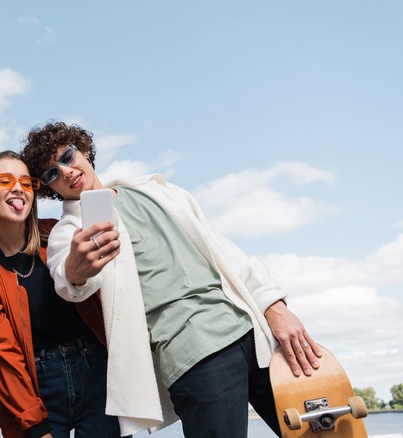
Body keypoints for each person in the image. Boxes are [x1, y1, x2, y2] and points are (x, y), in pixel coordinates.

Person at [21, 122, 323, 437]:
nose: (65, 171)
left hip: (256, 333)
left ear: (83, 150)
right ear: (48, 188)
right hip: (194, 354)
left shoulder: (158, 191)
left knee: (321, 431)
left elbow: (225, 251)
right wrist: (78, 267)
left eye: (67, 157)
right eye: (52, 174)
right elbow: (68, 283)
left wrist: (275, 307)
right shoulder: (69, 231)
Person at [0, 151, 121, 438]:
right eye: (5, 180)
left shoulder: (58, 234)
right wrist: (35, 426)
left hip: (96, 368)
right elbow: (6, 354)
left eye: (26, 181)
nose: (18, 187)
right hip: (37, 383)